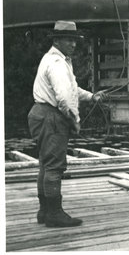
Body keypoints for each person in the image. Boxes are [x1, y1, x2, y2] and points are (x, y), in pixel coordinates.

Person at [28, 20, 107, 228]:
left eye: (75, 40)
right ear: (57, 40)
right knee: (54, 166)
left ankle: (45, 211)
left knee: (46, 164)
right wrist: (75, 121)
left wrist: (92, 97)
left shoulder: (58, 60)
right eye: (69, 40)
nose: (73, 44)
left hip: (41, 113)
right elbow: (63, 98)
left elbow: (72, 88)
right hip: (50, 116)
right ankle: (54, 213)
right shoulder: (57, 64)